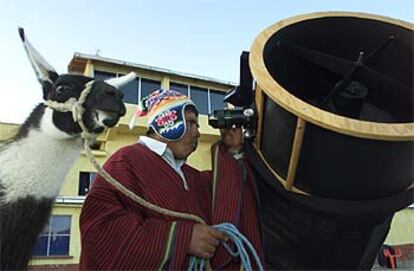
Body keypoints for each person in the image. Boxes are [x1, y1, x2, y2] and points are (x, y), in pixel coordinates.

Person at [79, 89, 264, 269]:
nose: (197, 133)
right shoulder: (126, 161)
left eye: (197, 125)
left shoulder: (192, 176)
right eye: (191, 123)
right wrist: (181, 239)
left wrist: (232, 152)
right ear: (167, 122)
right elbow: (99, 230)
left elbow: (228, 199)